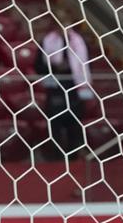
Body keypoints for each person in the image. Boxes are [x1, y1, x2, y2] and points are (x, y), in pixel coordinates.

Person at [35, 10, 90, 160]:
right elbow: (38, 66)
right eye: (60, 22)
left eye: (65, 21)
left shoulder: (78, 42)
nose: (63, 25)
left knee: (73, 125)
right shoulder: (47, 42)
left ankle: (73, 156)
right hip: (54, 88)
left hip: (73, 88)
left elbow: (85, 65)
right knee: (55, 125)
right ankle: (56, 158)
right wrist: (54, 68)